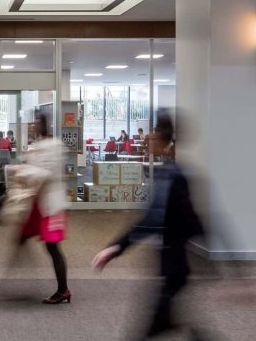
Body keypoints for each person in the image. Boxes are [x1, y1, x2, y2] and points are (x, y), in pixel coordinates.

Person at [93, 111, 213, 340]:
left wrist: (235, 275)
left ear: (162, 139)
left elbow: (194, 224)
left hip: (174, 268)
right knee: (171, 324)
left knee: (148, 330)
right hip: (168, 267)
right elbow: (150, 221)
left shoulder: (175, 177)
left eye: (153, 132)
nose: (148, 138)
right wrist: (116, 247)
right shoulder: (165, 173)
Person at [4, 111, 70, 305]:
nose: (32, 126)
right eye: (31, 123)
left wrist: (24, 171)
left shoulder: (56, 146)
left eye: (35, 123)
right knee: (21, 237)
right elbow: (30, 169)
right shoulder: (36, 146)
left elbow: (45, 173)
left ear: (44, 124)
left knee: (52, 246)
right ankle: (10, 283)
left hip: (50, 204)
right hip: (35, 202)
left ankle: (63, 290)